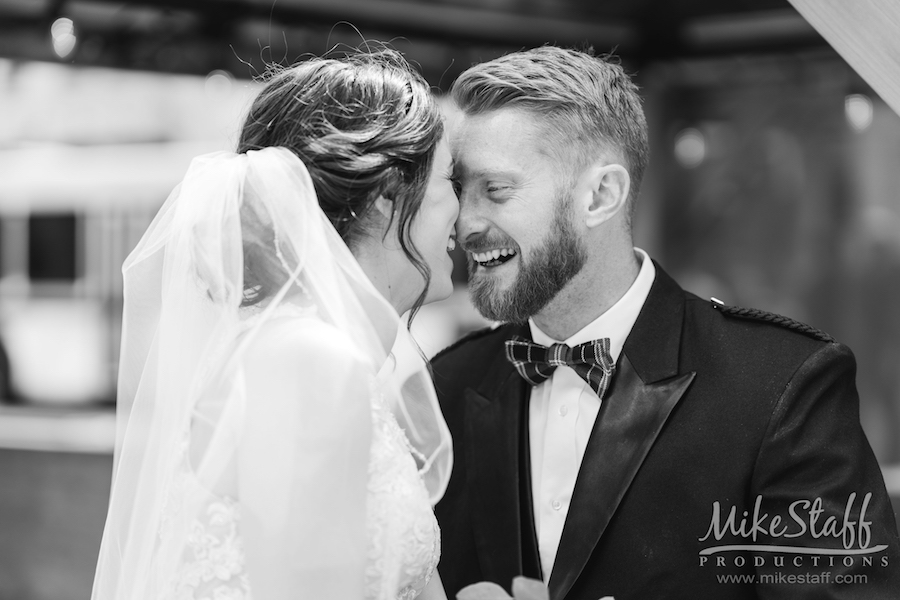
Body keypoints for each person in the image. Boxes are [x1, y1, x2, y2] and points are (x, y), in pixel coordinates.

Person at [433, 46, 900, 599]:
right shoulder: (446, 385)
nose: (465, 224)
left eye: (497, 190)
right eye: (460, 191)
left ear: (600, 195)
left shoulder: (780, 384)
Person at [92, 48, 459, 600]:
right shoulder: (308, 360)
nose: (462, 210)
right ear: (387, 196)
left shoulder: (300, 349)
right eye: (451, 180)